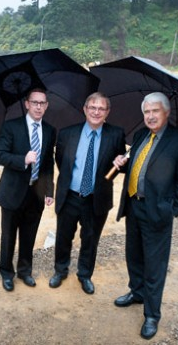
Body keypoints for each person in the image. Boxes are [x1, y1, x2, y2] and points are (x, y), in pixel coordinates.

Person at [112, 92, 178, 340]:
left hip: (158, 212)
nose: (150, 116)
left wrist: (172, 210)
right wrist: (122, 163)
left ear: (166, 113)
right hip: (134, 207)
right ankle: (136, 292)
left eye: (155, 111)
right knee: (134, 255)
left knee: (155, 265)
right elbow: (137, 164)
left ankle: (151, 314)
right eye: (146, 112)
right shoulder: (139, 136)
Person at [49, 92, 126, 294]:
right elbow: (61, 162)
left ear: (107, 112)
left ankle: (84, 275)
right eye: (92, 107)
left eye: (101, 109)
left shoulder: (116, 134)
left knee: (91, 239)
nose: (96, 112)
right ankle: (60, 270)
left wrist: (120, 164)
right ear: (84, 109)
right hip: (70, 196)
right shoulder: (67, 133)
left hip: (97, 198)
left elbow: (119, 166)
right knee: (63, 236)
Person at [0, 88, 56, 292]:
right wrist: (23, 159)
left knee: (29, 235)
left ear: (46, 106)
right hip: (12, 192)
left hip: (36, 193)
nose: (39, 106)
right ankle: (7, 273)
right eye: (35, 102)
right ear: (27, 104)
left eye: (42, 103)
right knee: (9, 236)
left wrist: (49, 191)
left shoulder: (49, 130)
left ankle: (25, 271)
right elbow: (0, 155)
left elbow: (48, 162)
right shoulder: (11, 127)